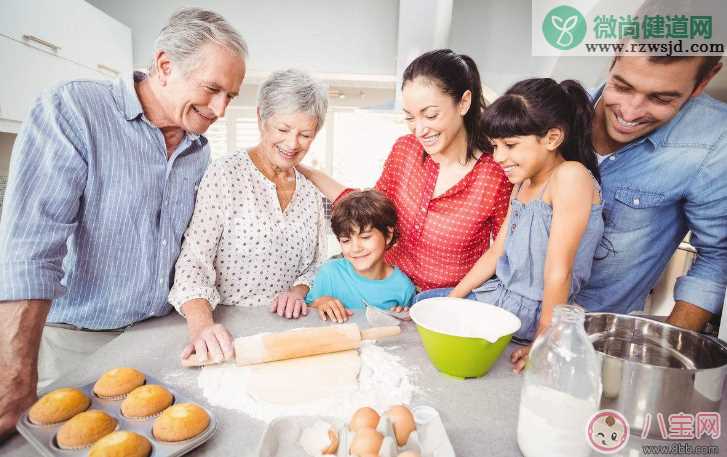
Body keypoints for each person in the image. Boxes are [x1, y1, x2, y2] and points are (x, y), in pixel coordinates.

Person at [0, 8, 246, 440]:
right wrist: (14, 373)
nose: (221, 109)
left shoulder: (198, 149)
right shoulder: (74, 110)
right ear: (166, 66)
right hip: (74, 343)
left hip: (159, 336)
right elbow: (30, 251)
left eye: (231, 96)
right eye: (212, 89)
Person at [413, 78, 605, 372]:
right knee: (426, 302)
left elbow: (559, 272)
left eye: (511, 145)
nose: (499, 157)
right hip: (501, 300)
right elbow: (494, 254)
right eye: (495, 146)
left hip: (537, 314)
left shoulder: (570, 176)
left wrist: (545, 343)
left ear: (553, 138)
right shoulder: (523, 184)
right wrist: (451, 301)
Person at [298, 49, 512, 292]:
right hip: (387, 290)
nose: (419, 129)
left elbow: (503, 253)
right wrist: (307, 171)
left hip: (447, 302)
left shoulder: (496, 174)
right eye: (410, 117)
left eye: (430, 115)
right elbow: (368, 210)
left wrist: (454, 300)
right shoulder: (405, 150)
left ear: (463, 103)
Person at [169, 69, 329, 365]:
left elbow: (319, 263)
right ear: (260, 119)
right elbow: (194, 261)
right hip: (225, 334)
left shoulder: (310, 194)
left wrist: (298, 290)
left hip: (288, 334)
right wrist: (202, 326)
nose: (293, 143)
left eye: (305, 134)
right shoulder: (225, 174)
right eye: (283, 129)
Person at [575, 55, 727, 332]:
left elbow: (716, 257)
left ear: (703, 81)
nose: (629, 113)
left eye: (660, 99)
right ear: (617, 51)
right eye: (622, 87)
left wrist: (665, 348)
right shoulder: (559, 106)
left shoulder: (715, 141)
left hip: (597, 339)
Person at [305, 190, 416, 323]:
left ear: (388, 235)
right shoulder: (330, 273)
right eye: (346, 240)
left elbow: (406, 331)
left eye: (365, 237)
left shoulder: (403, 287)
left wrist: (402, 319)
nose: (355, 248)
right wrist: (321, 303)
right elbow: (307, 311)